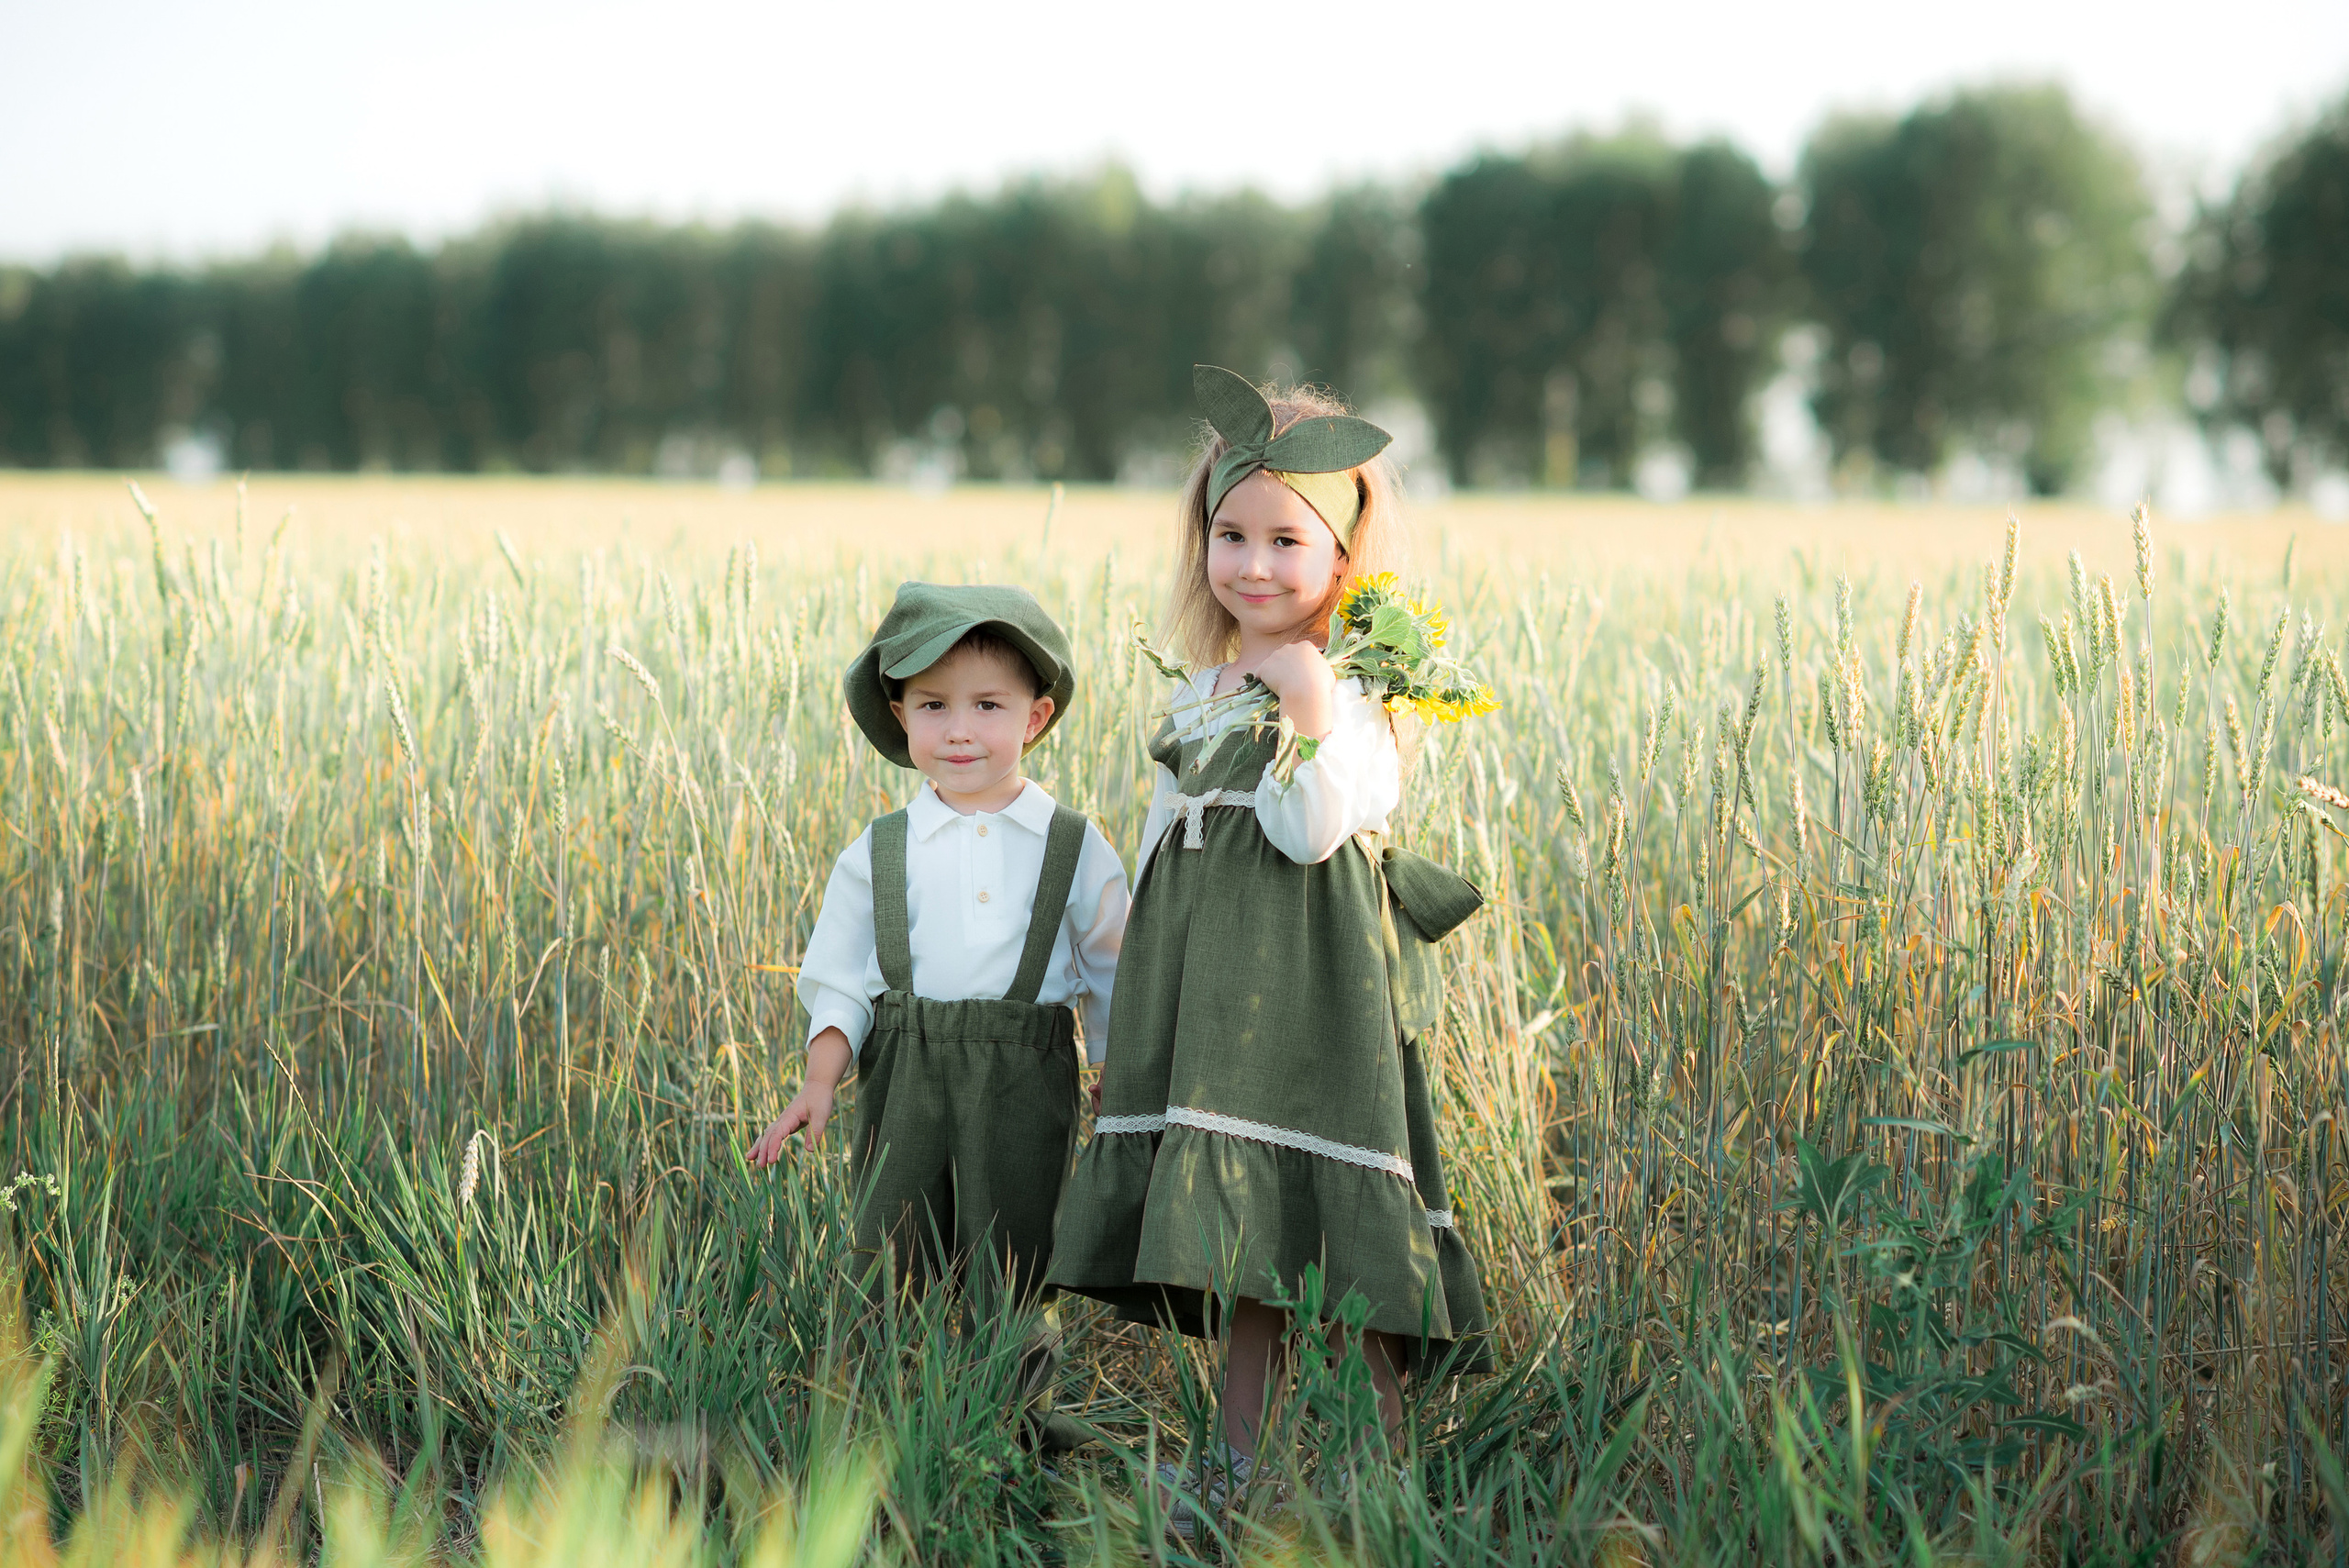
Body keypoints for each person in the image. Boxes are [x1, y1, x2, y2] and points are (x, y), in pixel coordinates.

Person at [1047, 366, 1490, 1520]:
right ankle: (1240, 1467)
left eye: (1284, 540)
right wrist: (1122, 1001)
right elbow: (1158, 857)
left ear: (1340, 560)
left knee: (1351, 1229)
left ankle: (1381, 1476)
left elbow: (1310, 829)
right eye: (1228, 533)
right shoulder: (1197, 694)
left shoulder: (1351, 693)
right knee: (1245, 1239)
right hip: (1214, 1014)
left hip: (1319, 1007)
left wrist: (1303, 702)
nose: (1251, 564)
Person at [750, 582, 1129, 1450]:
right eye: (933, 705)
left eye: (987, 705)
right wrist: (819, 1078)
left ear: (1034, 717)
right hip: (907, 1072)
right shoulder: (882, 849)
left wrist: (1115, 1068)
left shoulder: (1071, 844)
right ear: (899, 715)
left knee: (1015, 1252)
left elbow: (1114, 964)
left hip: (1026, 1074)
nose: (960, 729)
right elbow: (841, 976)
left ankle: (1012, 1422)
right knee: (890, 1243)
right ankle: (872, 1422)